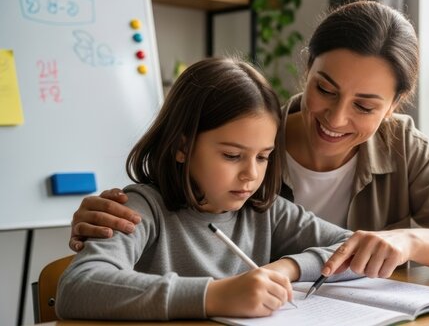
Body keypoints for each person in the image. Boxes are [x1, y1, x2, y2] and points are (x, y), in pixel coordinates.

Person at [68, 0, 429, 282]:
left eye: (365, 106)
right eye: (326, 89)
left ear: (394, 106)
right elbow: (164, 208)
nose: (336, 118)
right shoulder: (249, 134)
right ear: (307, 68)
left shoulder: (403, 146)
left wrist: (409, 243)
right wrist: (104, 220)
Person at [56, 58, 357, 320]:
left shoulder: (266, 211)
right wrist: (214, 295)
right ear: (181, 147)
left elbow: (354, 250)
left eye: (263, 157)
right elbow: (77, 287)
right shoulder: (140, 210)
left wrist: (287, 268)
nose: (251, 175)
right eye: (231, 156)